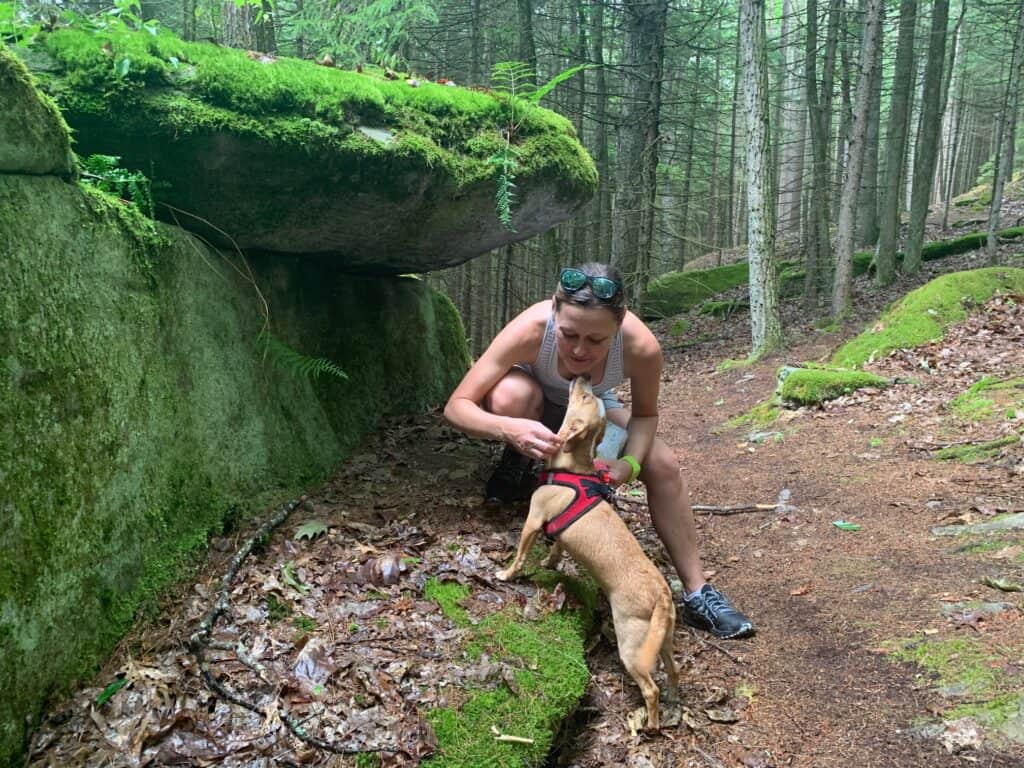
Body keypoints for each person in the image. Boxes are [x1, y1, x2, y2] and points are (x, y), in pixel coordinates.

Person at [443, 262, 754, 639]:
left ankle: (697, 593)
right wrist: (509, 429)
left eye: (596, 341)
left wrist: (630, 464)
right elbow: (457, 405)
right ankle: (520, 459)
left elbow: (645, 415)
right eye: (569, 334)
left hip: (594, 405)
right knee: (511, 396)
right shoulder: (530, 329)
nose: (579, 349)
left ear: (618, 327)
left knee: (663, 463)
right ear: (554, 312)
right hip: (534, 400)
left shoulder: (641, 347)